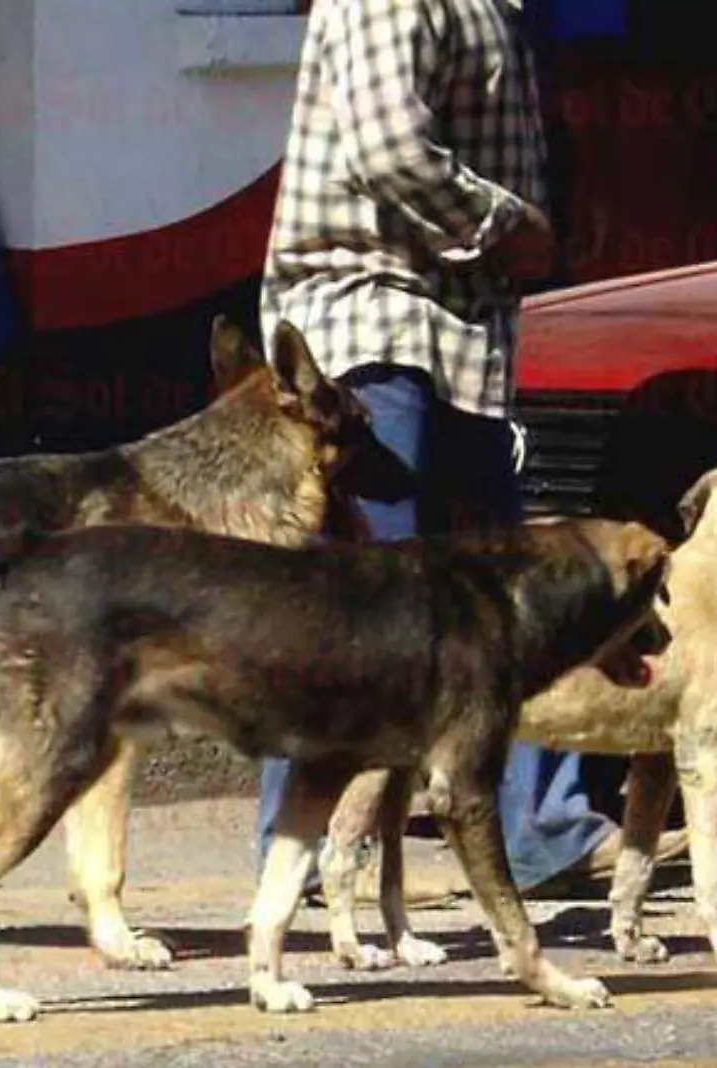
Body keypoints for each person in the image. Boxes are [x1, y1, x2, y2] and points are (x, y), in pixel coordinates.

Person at [252, 0, 685, 900]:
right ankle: (299, 856)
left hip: (455, 335)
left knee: (502, 604)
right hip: (377, 328)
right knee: (362, 613)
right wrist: (509, 225)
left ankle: (537, 831)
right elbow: (389, 150)